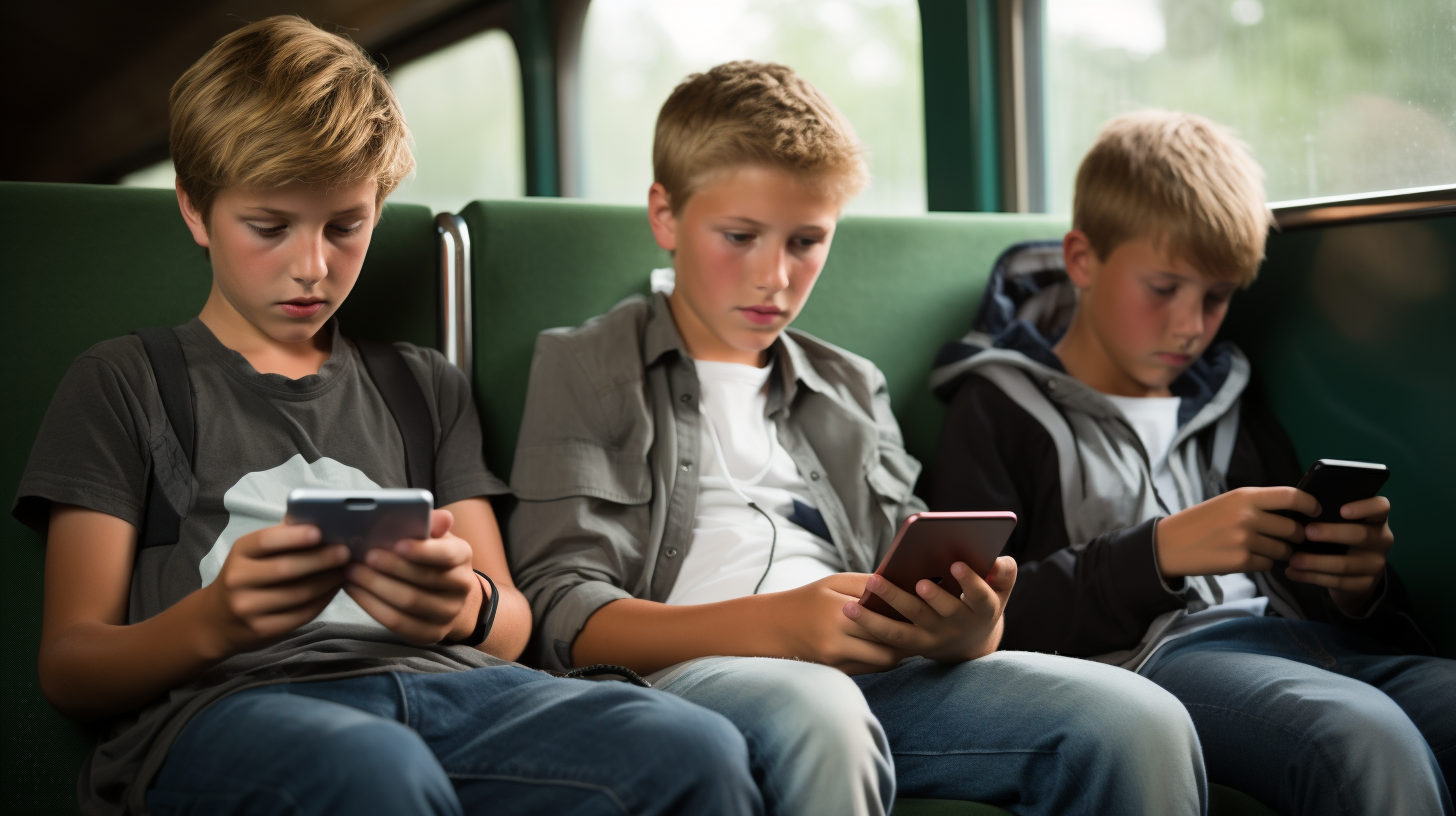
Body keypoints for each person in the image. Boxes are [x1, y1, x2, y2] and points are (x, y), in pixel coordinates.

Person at [13, 17, 760, 816]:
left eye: (346, 227)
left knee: (696, 748)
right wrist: (214, 620)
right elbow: (71, 664)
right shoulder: (127, 382)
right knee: (371, 769)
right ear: (195, 212)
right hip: (231, 705)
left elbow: (510, 623)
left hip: (451, 692)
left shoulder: (421, 386)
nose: (312, 266)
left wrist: (463, 605)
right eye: (269, 228)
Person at [507, 61, 1207, 816]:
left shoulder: (850, 387)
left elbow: (903, 574)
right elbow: (561, 611)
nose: (775, 275)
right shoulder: (585, 363)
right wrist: (779, 627)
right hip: (687, 675)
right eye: (739, 236)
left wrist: (971, 627)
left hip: (872, 674)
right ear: (666, 216)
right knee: (820, 713)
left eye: (807, 241)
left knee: (1139, 720)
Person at [926, 109, 1456, 816]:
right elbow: (975, 617)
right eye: (1164, 288)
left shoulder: (1227, 394)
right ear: (1082, 259)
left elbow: (1309, 588)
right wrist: (1157, 553)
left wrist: (1358, 589)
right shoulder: (997, 407)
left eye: (1216, 297)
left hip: (1311, 640)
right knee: (1358, 736)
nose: (1190, 325)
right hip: (1158, 664)